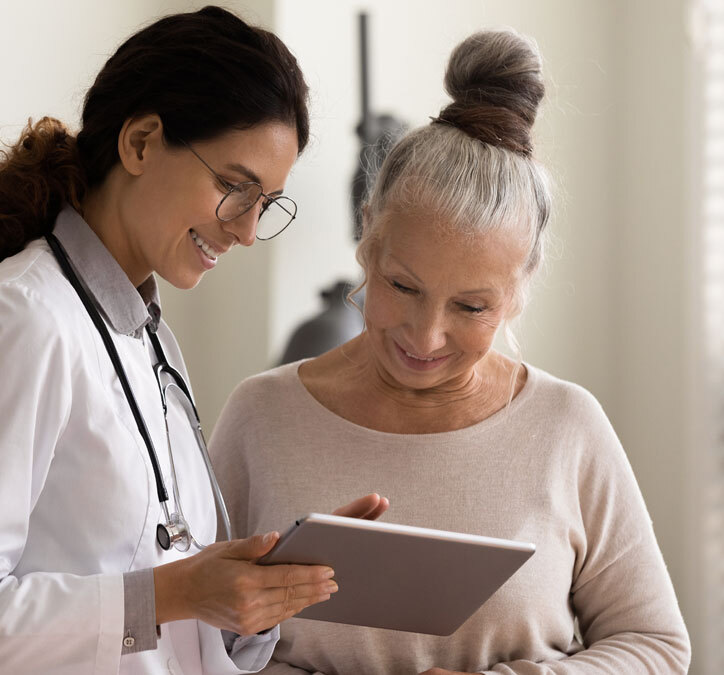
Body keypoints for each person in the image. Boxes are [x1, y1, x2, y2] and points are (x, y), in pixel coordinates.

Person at [0, 7, 381, 674]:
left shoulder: (154, 342)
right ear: (142, 142)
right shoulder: (19, 322)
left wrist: (262, 593)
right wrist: (171, 592)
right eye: (235, 187)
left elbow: (169, 615)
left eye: (265, 202)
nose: (246, 231)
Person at [209, 29, 691, 674]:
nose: (424, 336)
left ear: (519, 292)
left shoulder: (566, 427)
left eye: (471, 307)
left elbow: (655, 647)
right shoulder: (261, 416)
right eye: (401, 286)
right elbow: (195, 637)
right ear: (367, 243)